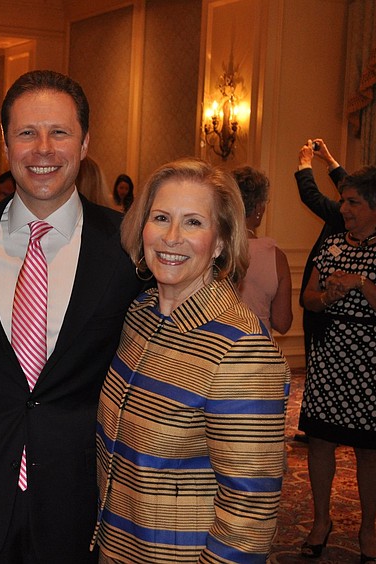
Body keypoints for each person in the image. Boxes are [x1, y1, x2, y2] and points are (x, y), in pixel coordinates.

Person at [0, 69, 142, 563]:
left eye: (60, 132)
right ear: (7, 145)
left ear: (85, 141)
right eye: (27, 133)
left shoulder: (128, 246)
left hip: (81, 490)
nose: (44, 149)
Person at [93, 158, 290, 562]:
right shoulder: (140, 316)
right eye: (161, 217)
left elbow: (249, 515)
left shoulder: (241, 349)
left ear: (220, 242)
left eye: (193, 223)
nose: (171, 236)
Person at [299, 166, 376, 562]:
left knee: (368, 449)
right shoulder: (330, 245)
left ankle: (367, 529)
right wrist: (327, 296)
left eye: (352, 202)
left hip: (371, 367)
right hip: (329, 359)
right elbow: (307, 299)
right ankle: (320, 521)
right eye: (344, 200)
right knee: (321, 442)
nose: (343, 208)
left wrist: (361, 283)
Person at [296, 138, 348, 355]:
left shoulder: (343, 214)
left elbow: (312, 197)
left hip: (325, 308)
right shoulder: (367, 212)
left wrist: (305, 163)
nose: (348, 204)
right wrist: (329, 159)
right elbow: (353, 188)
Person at [233, 165, 292, 333]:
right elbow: (282, 323)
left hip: (214, 345)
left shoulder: (210, 247)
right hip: (258, 348)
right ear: (259, 209)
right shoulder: (276, 256)